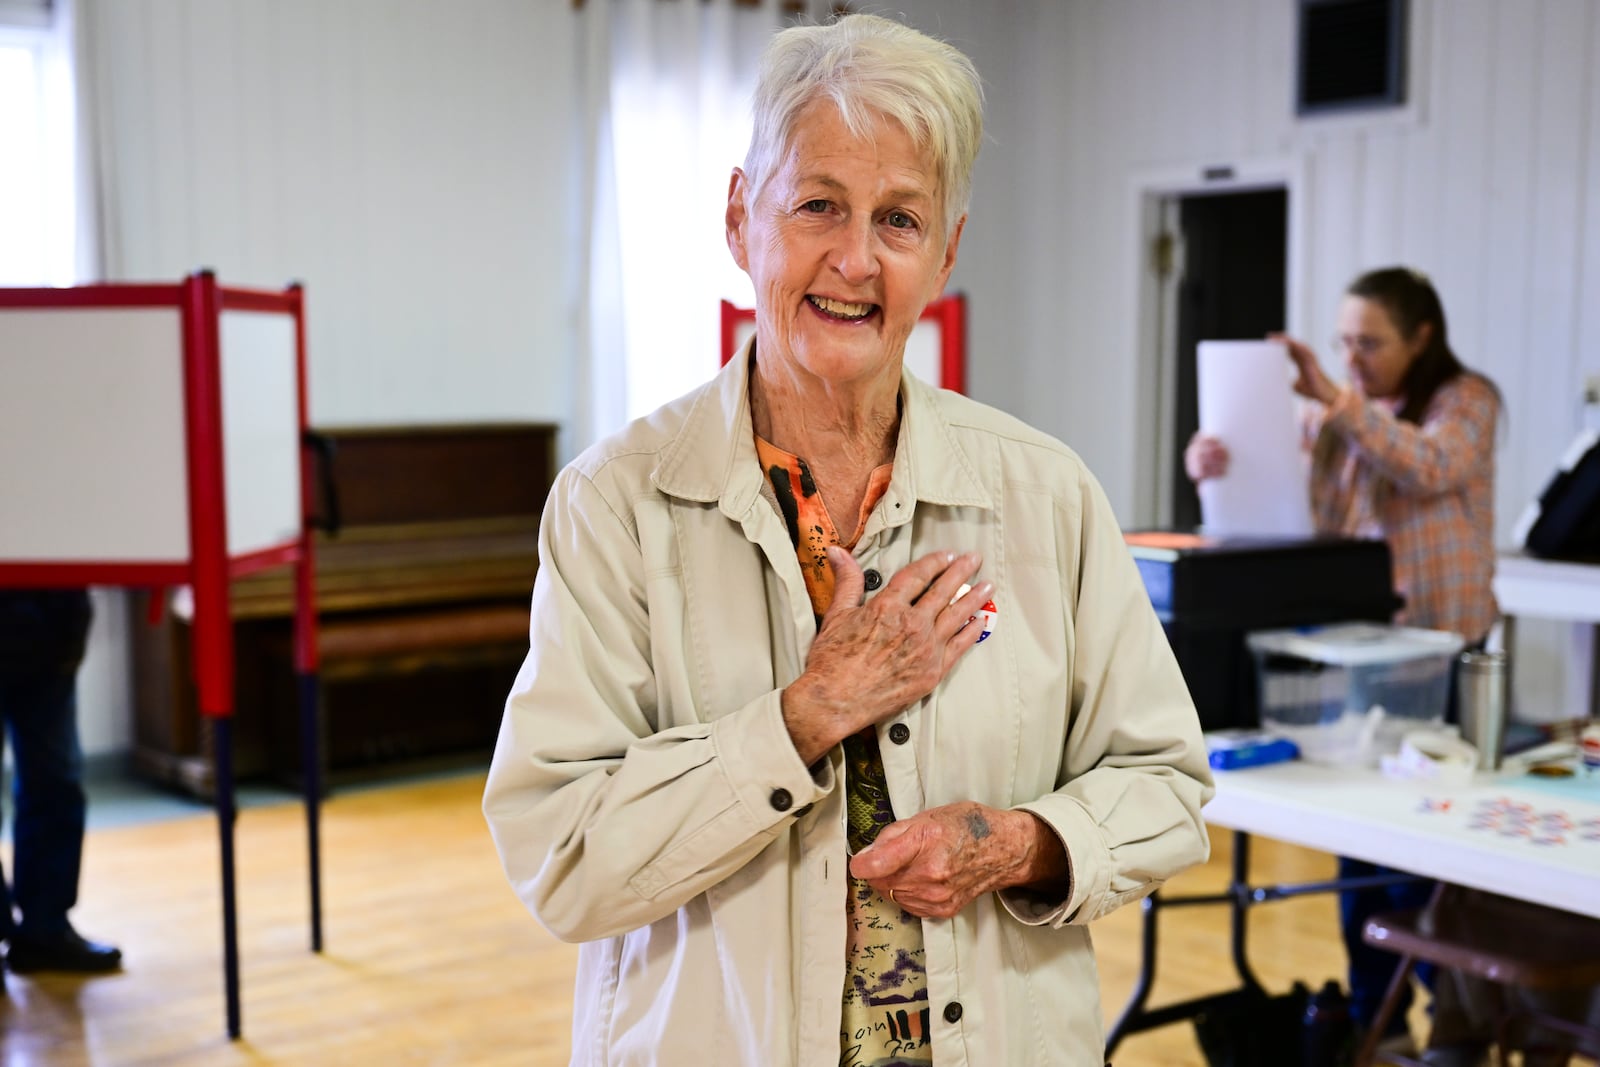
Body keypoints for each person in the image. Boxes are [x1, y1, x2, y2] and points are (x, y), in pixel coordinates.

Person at [483, 13, 1213, 1065]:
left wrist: (1018, 842)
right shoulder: (618, 502)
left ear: (946, 250)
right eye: (817, 204)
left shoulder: (1043, 493)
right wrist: (805, 713)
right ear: (742, 218)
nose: (855, 259)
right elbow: (562, 852)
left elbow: (1166, 782)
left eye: (899, 219)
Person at [1186, 266, 1505, 1059]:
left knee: (1431, 862)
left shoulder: (1467, 400)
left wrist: (1336, 399)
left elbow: (1428, 465)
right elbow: (1304, 519)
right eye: (1342, 343)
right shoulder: (1334, 418)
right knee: (1360, 853)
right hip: (1355, 659)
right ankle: (1377, 1018)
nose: (1353, 358)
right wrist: (1220, 468)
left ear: (1421, 337)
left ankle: (1457, 1022)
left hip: (1441, 656)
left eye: (1371, 343)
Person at [0, 589, 123, 979]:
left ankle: (45, 931)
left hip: (49, 635)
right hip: (41, 626)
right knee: (54, 784)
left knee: (57, 785)